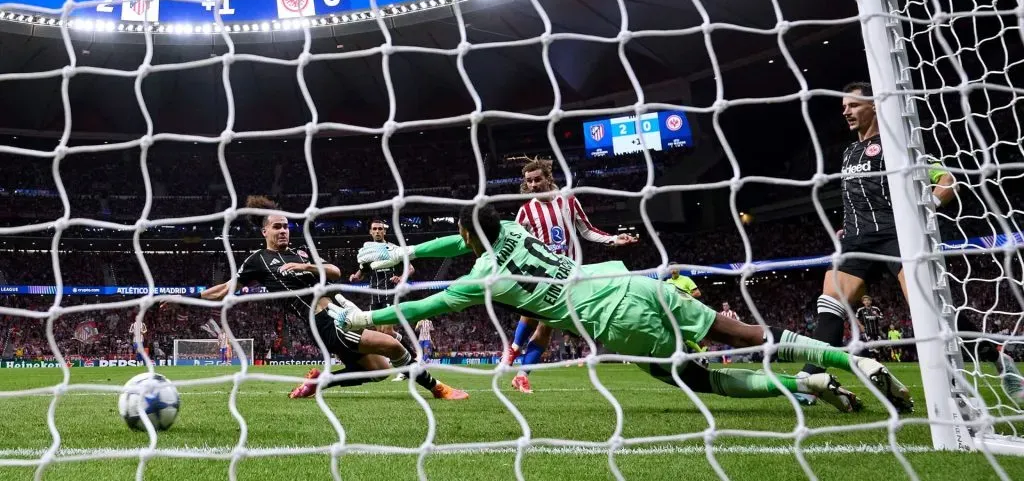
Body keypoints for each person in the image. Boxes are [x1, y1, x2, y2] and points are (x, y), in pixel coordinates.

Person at [335, 204, 914, 413]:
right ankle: (841, 362)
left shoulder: (483, 278)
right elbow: (459, 238)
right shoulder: (509, 227)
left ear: (470, 237)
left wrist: (366, 318)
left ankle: (798, 389)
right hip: (633, 283)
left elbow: (430, 298)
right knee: (741, 330)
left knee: (700, 381)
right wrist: (409, 248)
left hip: (615, 322)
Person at [796, 82, 1014, 404]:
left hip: (898, 235)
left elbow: (946, 181)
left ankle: (994, 360)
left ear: (873, 106)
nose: (846, 111)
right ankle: (810, 379)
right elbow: (857, 195)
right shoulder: (848, 153)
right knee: (830, 302)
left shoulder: (898, 144)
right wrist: (847, 226)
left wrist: (929, 208)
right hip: (858, 240)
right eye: (844, 107)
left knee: (930, 309)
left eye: (853, 105)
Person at [199, 196, 466, 401]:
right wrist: (190, 297)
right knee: (393, 347)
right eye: (277, 227)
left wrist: (306, 267)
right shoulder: (257, 260)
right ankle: (438, 389)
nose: (283, 231)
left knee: (380, 370)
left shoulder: (301, 253)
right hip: (323, 322)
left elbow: (334, 271)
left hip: (336, 315)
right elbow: (226, 288)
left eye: (287, 227)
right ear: (264, 232)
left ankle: (320, 382)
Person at [507, 157, 638, 393]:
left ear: (548, 178)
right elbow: (514, 241)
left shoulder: (568, 201)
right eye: (529, 182)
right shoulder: (526, 211)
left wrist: (613, 239)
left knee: (546, 327)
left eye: (537, 179)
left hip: (567, 271)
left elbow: (587, 231)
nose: (534, 185)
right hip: (540, 272)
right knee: (532, 313)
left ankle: (521, 373)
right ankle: (514, 351)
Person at [349, 218, 418, 381]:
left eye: (381, 228)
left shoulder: (392, 249)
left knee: (387, 331)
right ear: (370, 232)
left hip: (389, 292)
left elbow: (410, 268)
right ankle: (410, 362)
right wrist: (355, 277)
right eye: (375, 229)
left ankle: (410, 363)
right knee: (380, 333)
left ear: (385, 231)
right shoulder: (368, 252)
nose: (378, 231)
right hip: (375, 294)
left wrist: (401, 277)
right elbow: (362, 270)